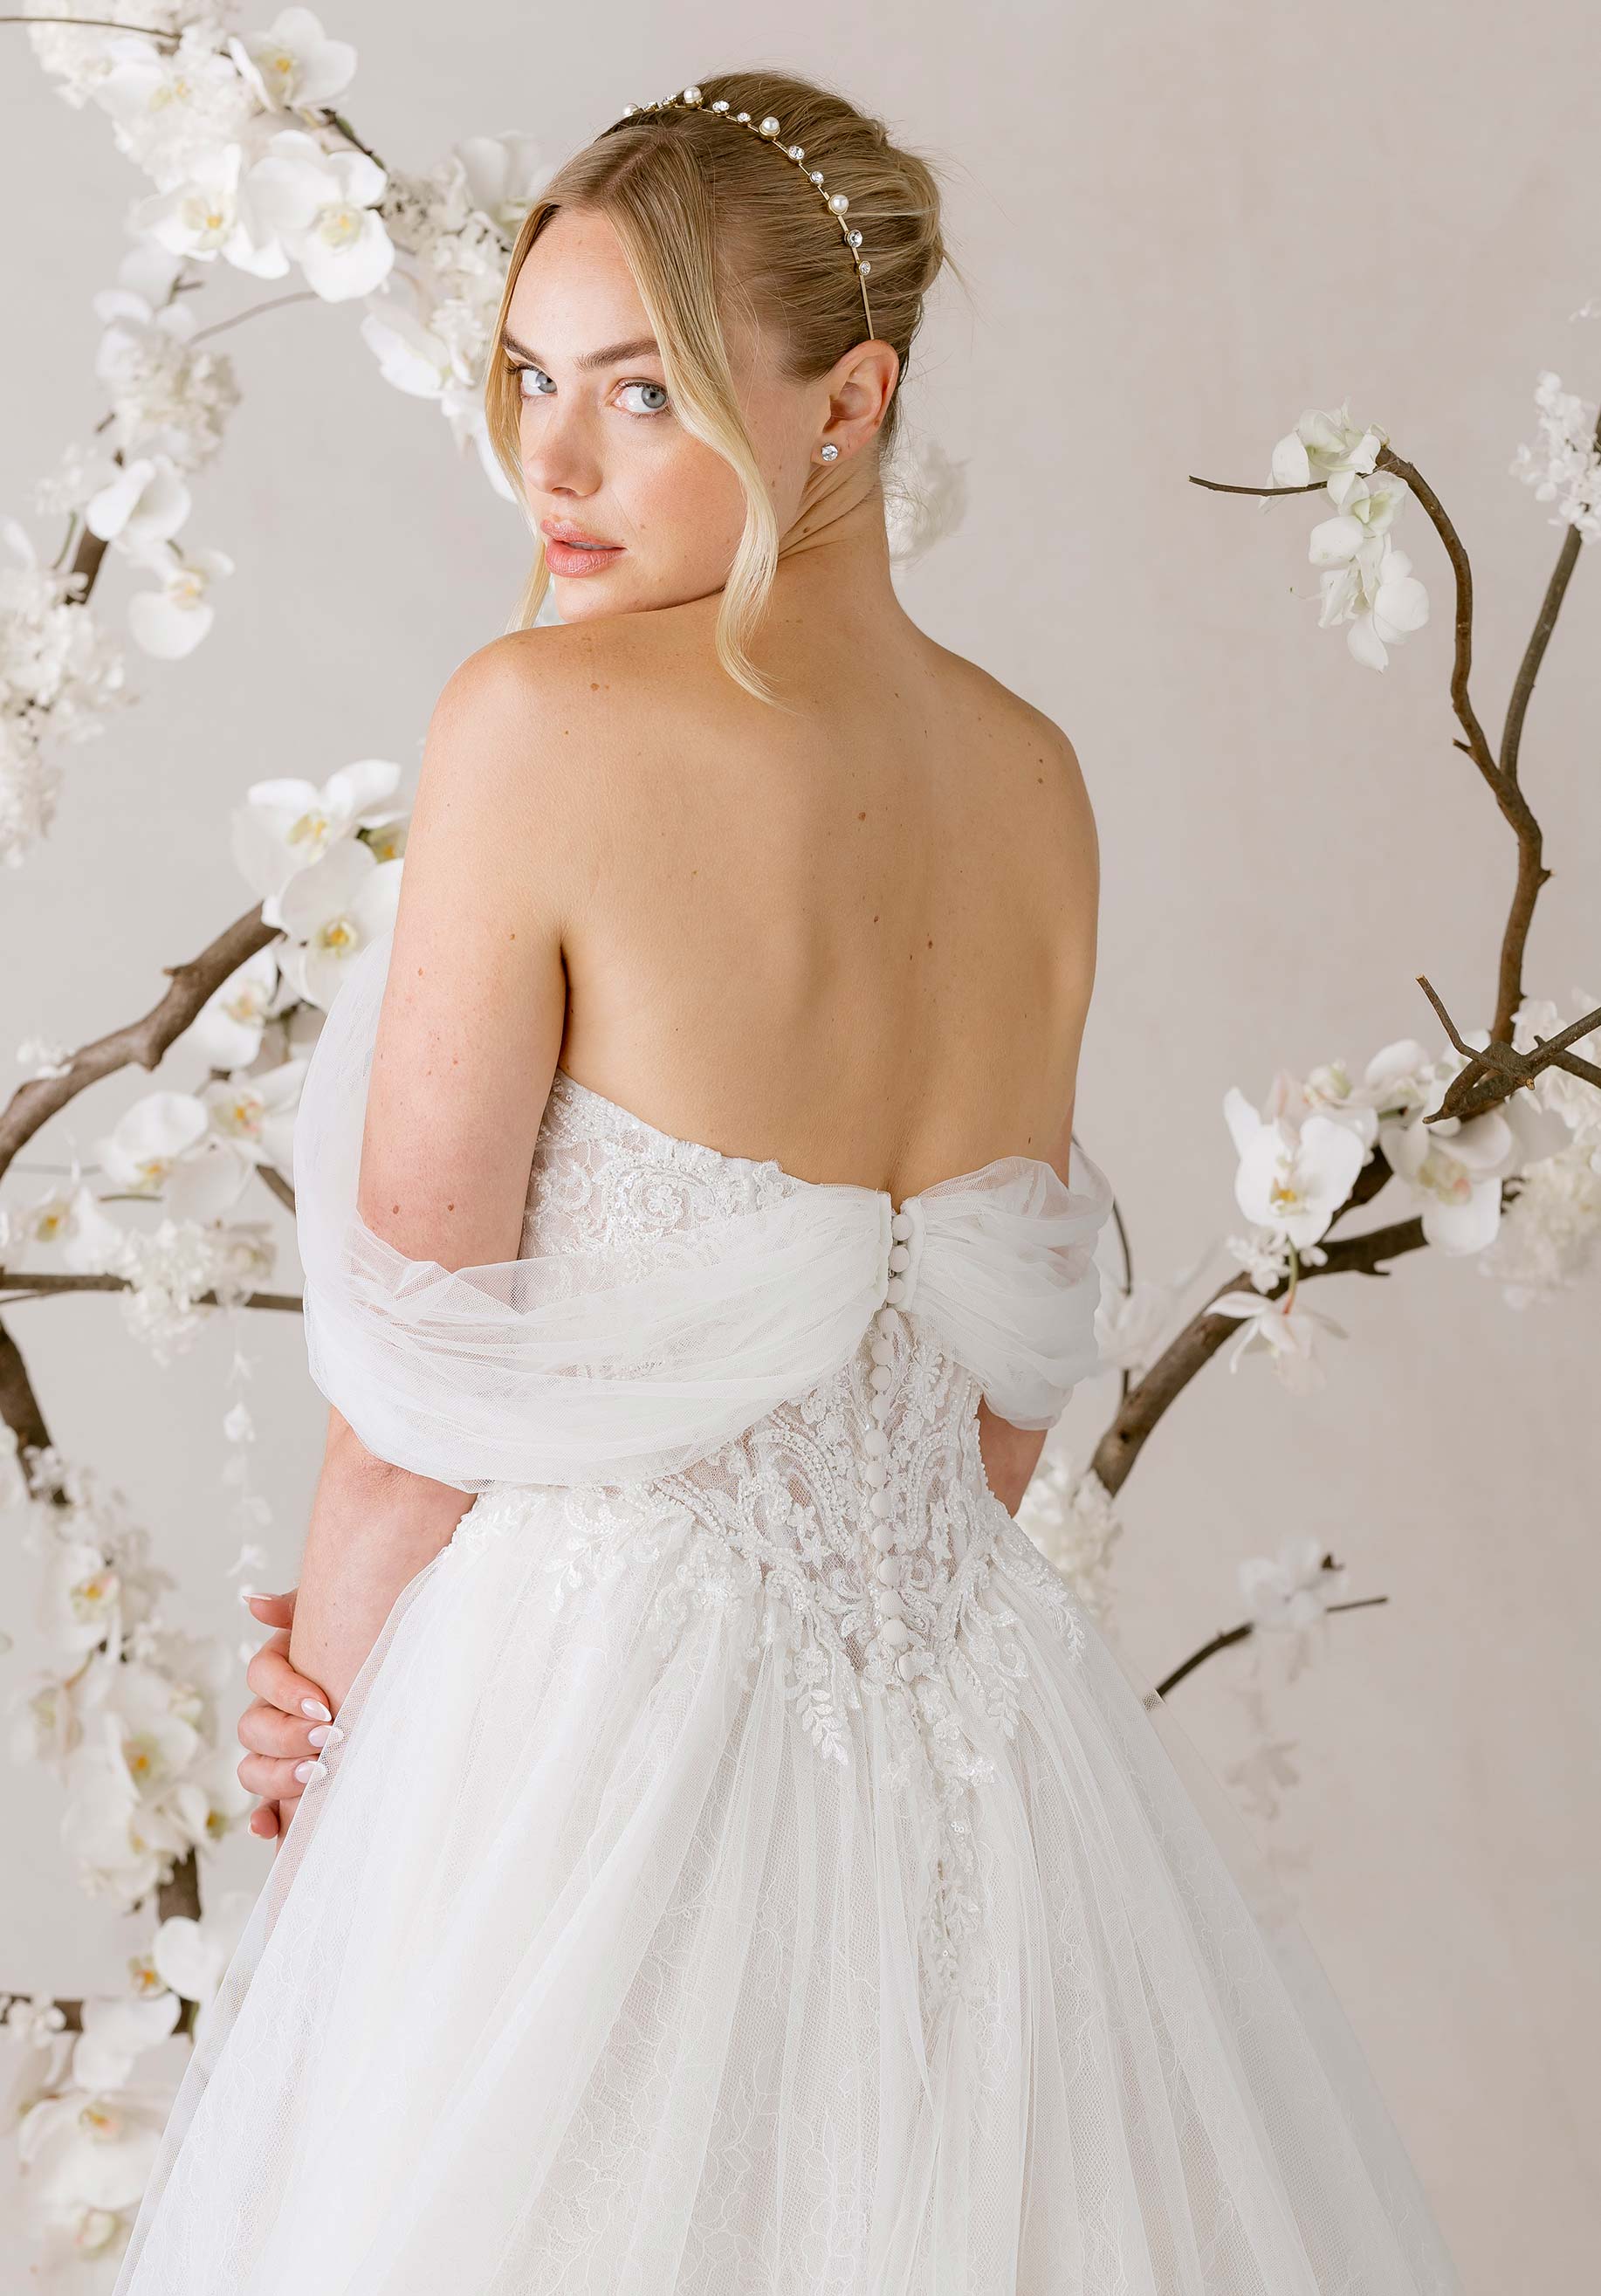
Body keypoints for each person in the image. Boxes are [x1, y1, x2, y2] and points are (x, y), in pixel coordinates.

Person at [111, 71, 1462, 2295]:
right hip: (978, 1755)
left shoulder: (537, 725)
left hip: (584, 1716)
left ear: (849, 401)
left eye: (637, 393)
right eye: (530, 379)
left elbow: (421, 1378)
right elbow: (999, 1385)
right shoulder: (1031, 782)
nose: (548, 459)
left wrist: (331, 1728)